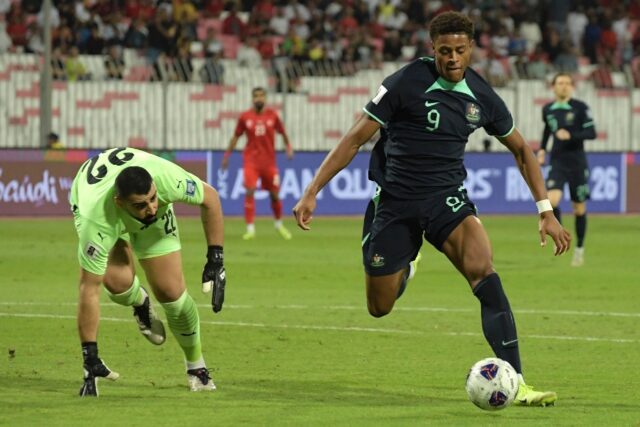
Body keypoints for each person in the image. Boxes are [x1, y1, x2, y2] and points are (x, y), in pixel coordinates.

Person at [293, 12, 571, 407]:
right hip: (396, 203)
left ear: (471, 48)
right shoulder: (404, 83)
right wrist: (312, 190)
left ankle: (518, 381)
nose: (453, 58)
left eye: (460, 50)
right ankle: (407, 264)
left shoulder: (482, 95)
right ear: (433, 49)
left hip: (447, 200)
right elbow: (355, 138)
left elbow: (522, 149)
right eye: (445, 51)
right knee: (379, 307)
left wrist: (545, 210)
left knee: (484, 271)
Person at [70, 147, 226, 396]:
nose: (152, 208)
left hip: (137, 211)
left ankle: (196, 367)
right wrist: (90, 356)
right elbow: (89, 288)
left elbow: (211, 198)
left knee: (172, 294)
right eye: (142, 204)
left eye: (153, 198)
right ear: (120, 202)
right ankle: (138, 301)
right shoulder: (96, 221)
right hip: (98, 206)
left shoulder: (165, 181)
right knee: (116, 283)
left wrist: (215, 260)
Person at [537, 73, 596, 267]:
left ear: (572, 87)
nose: (564, 86)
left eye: (568, 83)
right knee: (552, 201)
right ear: (553, 87)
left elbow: (591, 132)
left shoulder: (580, 108)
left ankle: (579, 248)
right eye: (560, 83)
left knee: (579, 209)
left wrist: (570, 134)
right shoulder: (547, 109)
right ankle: (560, 238)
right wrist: (543, 148)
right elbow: (547, 129)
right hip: (558, 161)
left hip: (577, 162)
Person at [222, 87, 294, 240]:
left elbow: (283, 133)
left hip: (269, 163)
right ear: (252, 98)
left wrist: (288, 147)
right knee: (250, 191)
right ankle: (250, 229)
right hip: (251, 162)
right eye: (256, 96)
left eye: (261, 96)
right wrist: (227, 155)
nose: (259, 99)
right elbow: (235, 137)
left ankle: (279, 225)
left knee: (274, 195)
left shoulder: (273, 116)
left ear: (265, 98)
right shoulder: (245, 117)